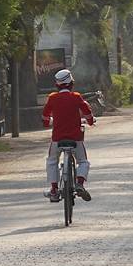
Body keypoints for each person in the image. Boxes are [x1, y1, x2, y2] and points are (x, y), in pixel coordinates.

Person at [42, 69, 94, 203]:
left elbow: (45, 116)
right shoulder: (76, 97)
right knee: (83, 161)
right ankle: (80, 184)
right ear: (71, 83)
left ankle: (54, 190)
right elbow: (87, 112)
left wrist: (47, 122)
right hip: (75, 138)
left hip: (57, 139)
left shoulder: (52, 98)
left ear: (57, 85)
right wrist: (90, 121)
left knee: (52, 161)